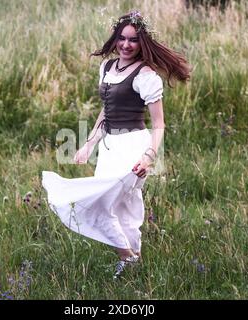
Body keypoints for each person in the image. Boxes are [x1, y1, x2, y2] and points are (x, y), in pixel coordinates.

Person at [42, 10, 190, 279]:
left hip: (135, 145)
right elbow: (106, 112)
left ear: (141, 42)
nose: (126, 44)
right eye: (122, 38)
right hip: (110, 147)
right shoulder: (107, 68)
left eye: (133, 40)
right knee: (123, 206)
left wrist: (149, 157)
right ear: (115, 38)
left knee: (104, 203)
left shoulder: (147, 76)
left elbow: (159, 125)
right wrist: (89, 144)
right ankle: (135, 262)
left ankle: (127, 257)